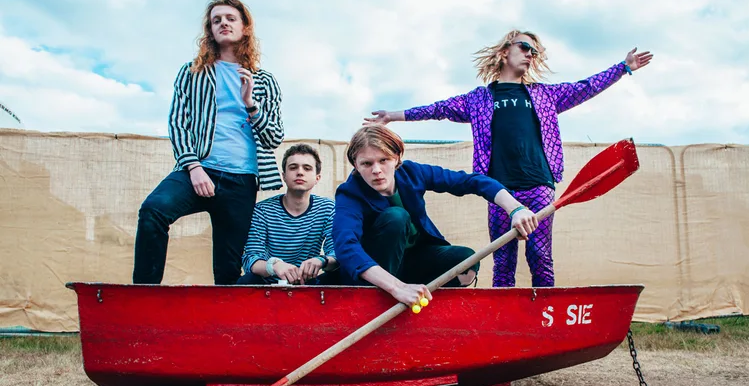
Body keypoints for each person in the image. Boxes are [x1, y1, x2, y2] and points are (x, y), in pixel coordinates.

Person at [364, 30, 652, 288]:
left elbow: (585, 87)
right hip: (498, 189)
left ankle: (543, 316)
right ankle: (503, 317)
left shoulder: (544, 95)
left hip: (539, 185)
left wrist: (623, 67)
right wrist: (393, 116)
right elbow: (438, 109)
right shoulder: (477, 99)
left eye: (534, 52)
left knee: (540, 255)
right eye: (524, 47)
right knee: (502, 259)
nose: (530, 54)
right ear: (504, 52)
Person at [133, 0, 284, 285]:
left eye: (230, 18)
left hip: (242, 180)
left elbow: (274, 137)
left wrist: (250, 104)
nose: (223, 23)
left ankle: (223, 315)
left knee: (228, 270)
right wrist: (194, 167)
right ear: (210, 30)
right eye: (217, 20)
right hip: (199, 169)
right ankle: (144, 295)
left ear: (245, 27)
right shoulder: (193, 72)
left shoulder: (264, 80)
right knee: (153, 210)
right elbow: (178, 123)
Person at [333, 125, 538, 307]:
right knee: (397, 217)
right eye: (367, 164)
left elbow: (470, 182)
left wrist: (516, 209)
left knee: (465, 261)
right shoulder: (350, 193)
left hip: (414, 264)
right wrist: (396, 287)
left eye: (383, 160)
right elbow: (346, 246)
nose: (376, 170)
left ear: (396, 158)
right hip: (378, 274)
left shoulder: (412, 173)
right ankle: (383, 300)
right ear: (356, 166)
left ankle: (428, 307)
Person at [238, 144, 338, 285]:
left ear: (317, 177)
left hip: (308, 284)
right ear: (284, 176)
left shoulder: (328, 208)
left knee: (339, 275)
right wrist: (274, 266)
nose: (300, 172)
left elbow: (337, 254)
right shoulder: (262, 210)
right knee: (247, 281)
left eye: (307, 168)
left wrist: (322, 260)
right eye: (293, 167)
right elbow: (251, 259)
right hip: (267, 286)